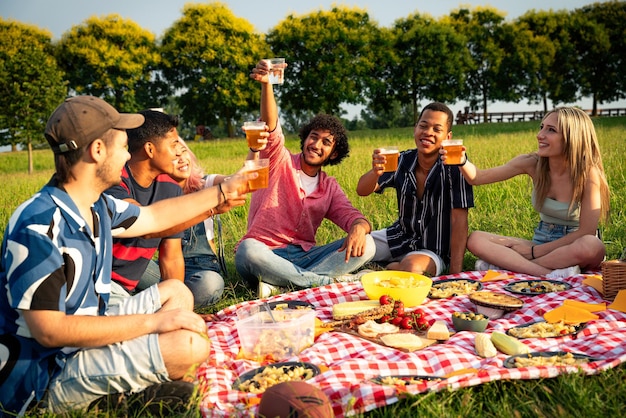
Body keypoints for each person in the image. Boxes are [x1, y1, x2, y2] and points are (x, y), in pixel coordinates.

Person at [0, 96, 253, 414]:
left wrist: (221, 194)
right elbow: (50, 331)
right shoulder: (38, 224)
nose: (128, 155)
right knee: (189, 346)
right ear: (97, 151)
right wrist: (153, 323)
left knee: (175, 291)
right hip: (46, 374)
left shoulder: (96, 205)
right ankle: (107, 398)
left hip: (87, 335)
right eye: (122, 146)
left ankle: (125, 385)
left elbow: (154, 218)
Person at [235, 59, 376, 298]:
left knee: (368, 245)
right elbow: (270, 126)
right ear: (305, 137)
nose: (316, 145)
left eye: (326, 142)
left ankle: (282, 285)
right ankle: (323, 283)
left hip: (305, 256)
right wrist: (267, 85)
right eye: (314, 136)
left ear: (334, 153)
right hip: (264, 252)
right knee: (248, 251)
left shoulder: (329, 187)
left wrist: (359, 228)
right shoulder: (280, 160)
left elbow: (352, 217)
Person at [446, 106, 610, 278]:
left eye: (551, 130)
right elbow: (477, 177)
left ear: (572, 138)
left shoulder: (588, 173)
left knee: (592, 245)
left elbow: (586, 232)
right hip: (540, 239)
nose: (540, 135)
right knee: (476, 239)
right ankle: (549, 273)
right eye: (542, 127)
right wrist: (462, 160)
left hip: (571, 245)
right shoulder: (532, 163)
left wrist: (534, 252)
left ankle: (509, 266)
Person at [356, 102, 474, 276]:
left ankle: (386, 267)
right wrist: (375, 172)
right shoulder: (402, 160)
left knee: (412, 268)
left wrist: (455, 274)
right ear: (415, 128)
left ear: (448, 137)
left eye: (436, 129)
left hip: (432, 251)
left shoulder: (456, 167)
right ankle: (312, 272)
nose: (428, 133)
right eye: (423, 126)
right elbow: (362, 190)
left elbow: (459, 222)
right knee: (353, 247)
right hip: (397, 238)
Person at [143, 139, 243, 307]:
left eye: (184, 152)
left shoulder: (205, 185)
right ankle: (167, 301)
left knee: (211, 284)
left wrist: (254, 150)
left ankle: (155, 303)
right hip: (165, 270)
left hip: (202, 269)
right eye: (175, 156)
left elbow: (237, 181)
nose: (182, 159)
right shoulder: (156, 193)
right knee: (131, 264)